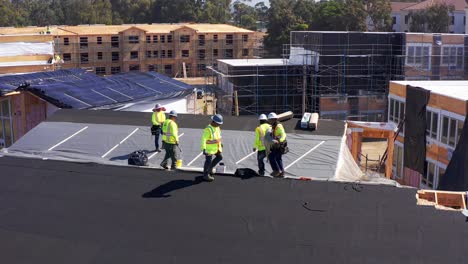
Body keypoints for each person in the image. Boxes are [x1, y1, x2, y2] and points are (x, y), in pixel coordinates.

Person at [201, 114, 223, 182]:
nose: (219, 125)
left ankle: (210, 168)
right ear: (214, 121)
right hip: (209, 149)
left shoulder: (217, 128)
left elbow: (218, 137)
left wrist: (220, 144)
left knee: (219, 157)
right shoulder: (208, 129)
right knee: (208, 161)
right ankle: (205, 175)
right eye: (218, 123)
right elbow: (203, 139)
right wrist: (204, 149)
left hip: (216, 148)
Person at [267, 112, 287, 177]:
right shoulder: (273, 126)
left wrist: (279, 141)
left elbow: (283, 134)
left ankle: (277, 171)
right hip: (276, 144)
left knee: (271, 157)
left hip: (280, 144)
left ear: (274, 119)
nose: (269, 121)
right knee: (278, 158)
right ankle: (281, 172)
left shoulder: (278, 126)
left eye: (270, 120)